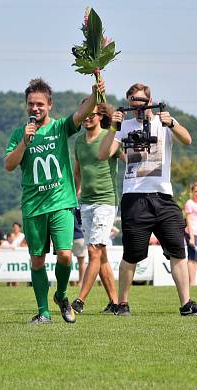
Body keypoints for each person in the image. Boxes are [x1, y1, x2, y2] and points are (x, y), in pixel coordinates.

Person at [99, 82, 197, 317]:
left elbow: (188, 139)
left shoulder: (163, 121)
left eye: (142, 102)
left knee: (177, 250)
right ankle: (123, 303)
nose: (138, 108)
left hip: (163, 195)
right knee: (132, 254)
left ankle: (186, 304)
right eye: (133, 103)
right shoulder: (123, 125)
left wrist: (170, 121)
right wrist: (112, 128)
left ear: (150, 101)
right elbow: (103, 154)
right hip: (135, 196)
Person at [4, 76, 103, 325]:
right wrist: (25, 142)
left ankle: (61, 294)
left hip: (61, 202)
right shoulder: (19, 134)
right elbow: (9, 165)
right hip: (33, 206)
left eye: (39, 104)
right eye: (30, 104)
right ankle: (43, 312)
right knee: (37, 260)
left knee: (66, 256)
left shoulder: (59, 128)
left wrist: (95, 94)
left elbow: (81, 114)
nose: (34, 108)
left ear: (50, 105)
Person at [71, 103, 120, 315]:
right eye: (85, 116)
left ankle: (79, 300)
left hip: (106, 201)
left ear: (101, 117)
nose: (87, 119)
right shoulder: (79, 141)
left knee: (93, 251)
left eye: (92, 115)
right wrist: (75, 193)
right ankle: (115, 302)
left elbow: (130, 158)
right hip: (86, 203)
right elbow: (78, 171)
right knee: (101, 255)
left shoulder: (110, 138)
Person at [184, 181, 197, 286]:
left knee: (196, 259)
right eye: (196, 191)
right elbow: (188, 220)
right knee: (191, 258)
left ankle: (193, 280)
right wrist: (191, 237)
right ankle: (191, 282)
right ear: (192, 192)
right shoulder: (189, 203)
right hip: (192, 233)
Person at [71, 211, 87, 286]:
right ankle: (75, 282)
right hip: (73, 235)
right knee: (63, 260)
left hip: (78, 235)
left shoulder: (79, 206)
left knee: (81, 261)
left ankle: (81, 282)